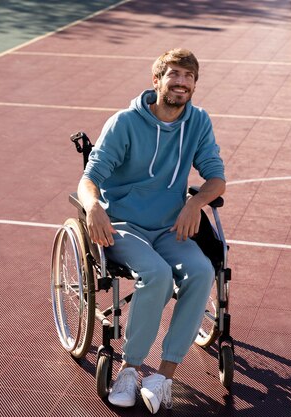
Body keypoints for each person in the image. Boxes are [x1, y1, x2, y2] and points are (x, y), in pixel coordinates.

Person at [77, 48, 225, 414]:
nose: (182, 83)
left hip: (171, 225)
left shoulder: (198, 121)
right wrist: (93, 206)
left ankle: (163, 376)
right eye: (174, 75)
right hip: (125, 226)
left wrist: (194, 203)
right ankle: (129, 369)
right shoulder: (125, 122)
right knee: (156, 275)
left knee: (203, 271)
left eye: (189, 77)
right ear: (156, 80)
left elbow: (216, 179)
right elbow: (89, 179)